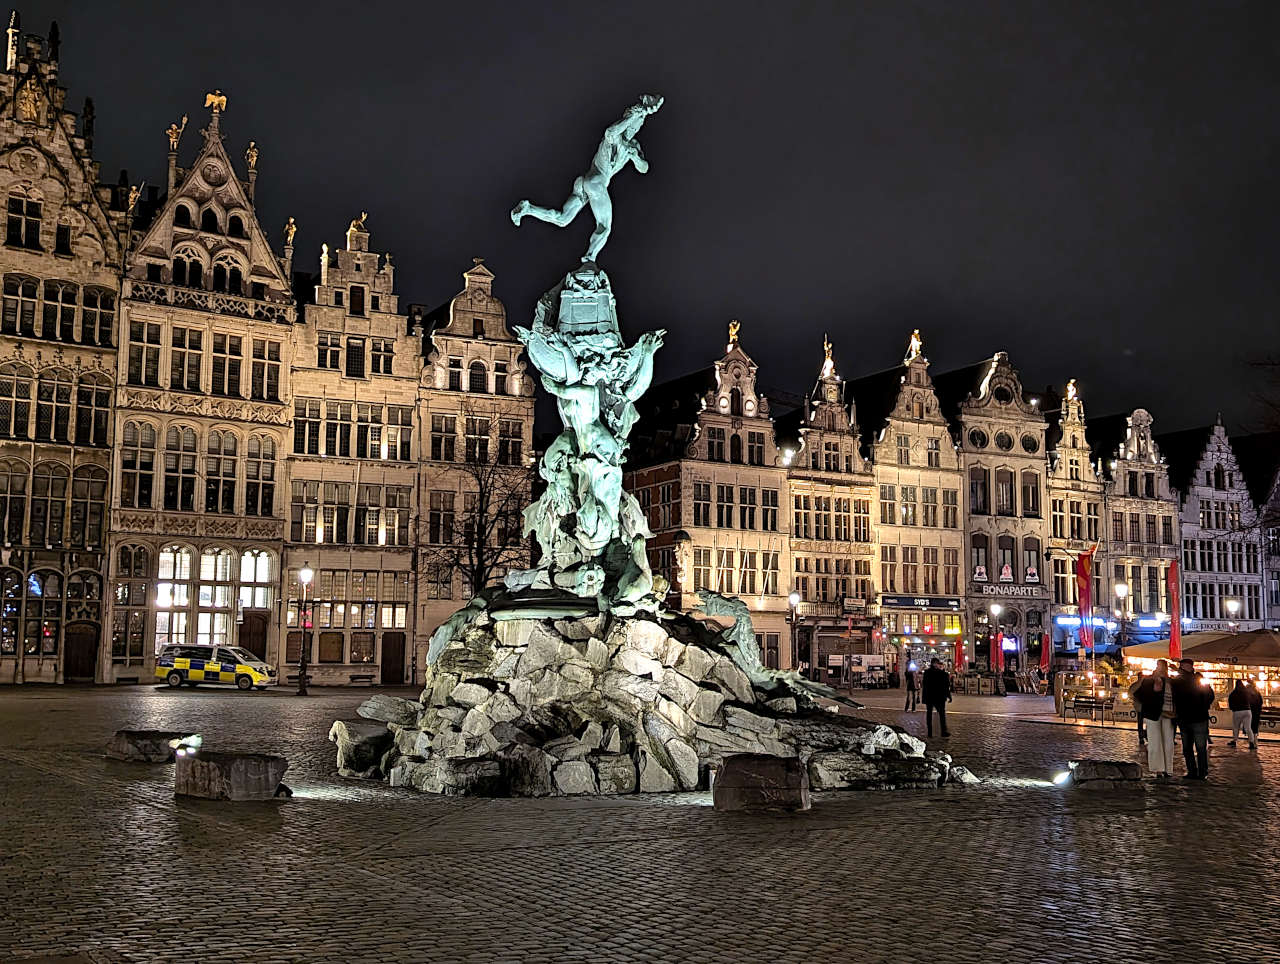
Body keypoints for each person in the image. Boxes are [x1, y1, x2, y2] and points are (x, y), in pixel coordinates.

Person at [1171, 658, 1214, 780]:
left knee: (1191, 748)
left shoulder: (1181, 681)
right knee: (1196, 748)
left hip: (1189, 718)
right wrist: (1204, 706)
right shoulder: (1196, 679)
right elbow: (1210, 695)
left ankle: (1195, 772)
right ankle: (1200, 772)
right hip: (1195, 717)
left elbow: (1209, 695)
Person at [1134, 661, 1175, 778]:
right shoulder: (1149, 680)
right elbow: (1139, 695)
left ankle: (1167, 769)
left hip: (1169, 714)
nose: (1162, 669)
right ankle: (1158, 769)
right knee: (1155, 742)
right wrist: (1154, 691)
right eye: (1159, 666)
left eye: (1163, 667)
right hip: (1153, 714)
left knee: (1168, 742)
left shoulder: (1170, 681)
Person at [920, 657, 952, 738]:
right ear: (936, 664)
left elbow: (924, 685)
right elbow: (946, 686)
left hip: (929, 697)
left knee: (929, 714)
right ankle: (943, 731)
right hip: (939, 697)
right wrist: (949, 696)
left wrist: (924, 698)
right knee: (941, 714)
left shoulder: (927, 673)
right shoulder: (942, 674)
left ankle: (930, 732)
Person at [1228, 679, 1255, 749]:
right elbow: (1252, 699)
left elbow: (1230, 701)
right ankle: (1251, 742)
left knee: (1236, 727)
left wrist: (1232, 708)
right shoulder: (1246, 691)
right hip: (1247, 711)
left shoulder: (1234, 693)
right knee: (1248, 728)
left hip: (1237, 711)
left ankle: (1234, 741)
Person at [1128, 674, 1147, 746]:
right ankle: (1143, 736)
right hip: (1141, 706)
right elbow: (1130, 693)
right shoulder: (1138, 684)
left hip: (1141, 706)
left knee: (1142, 722)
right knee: (1142, 722)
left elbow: (1130, 693)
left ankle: (1143, 736)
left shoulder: (1135, 685)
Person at [1246, 678, 1264, 749]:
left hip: (1249, 712)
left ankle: (1251, 742)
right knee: (1255, 728)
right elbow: (1261, 702)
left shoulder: (1247, 692)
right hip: (1256, 712)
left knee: (1249, 727)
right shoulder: (1257, 692)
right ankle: (1255, 742)